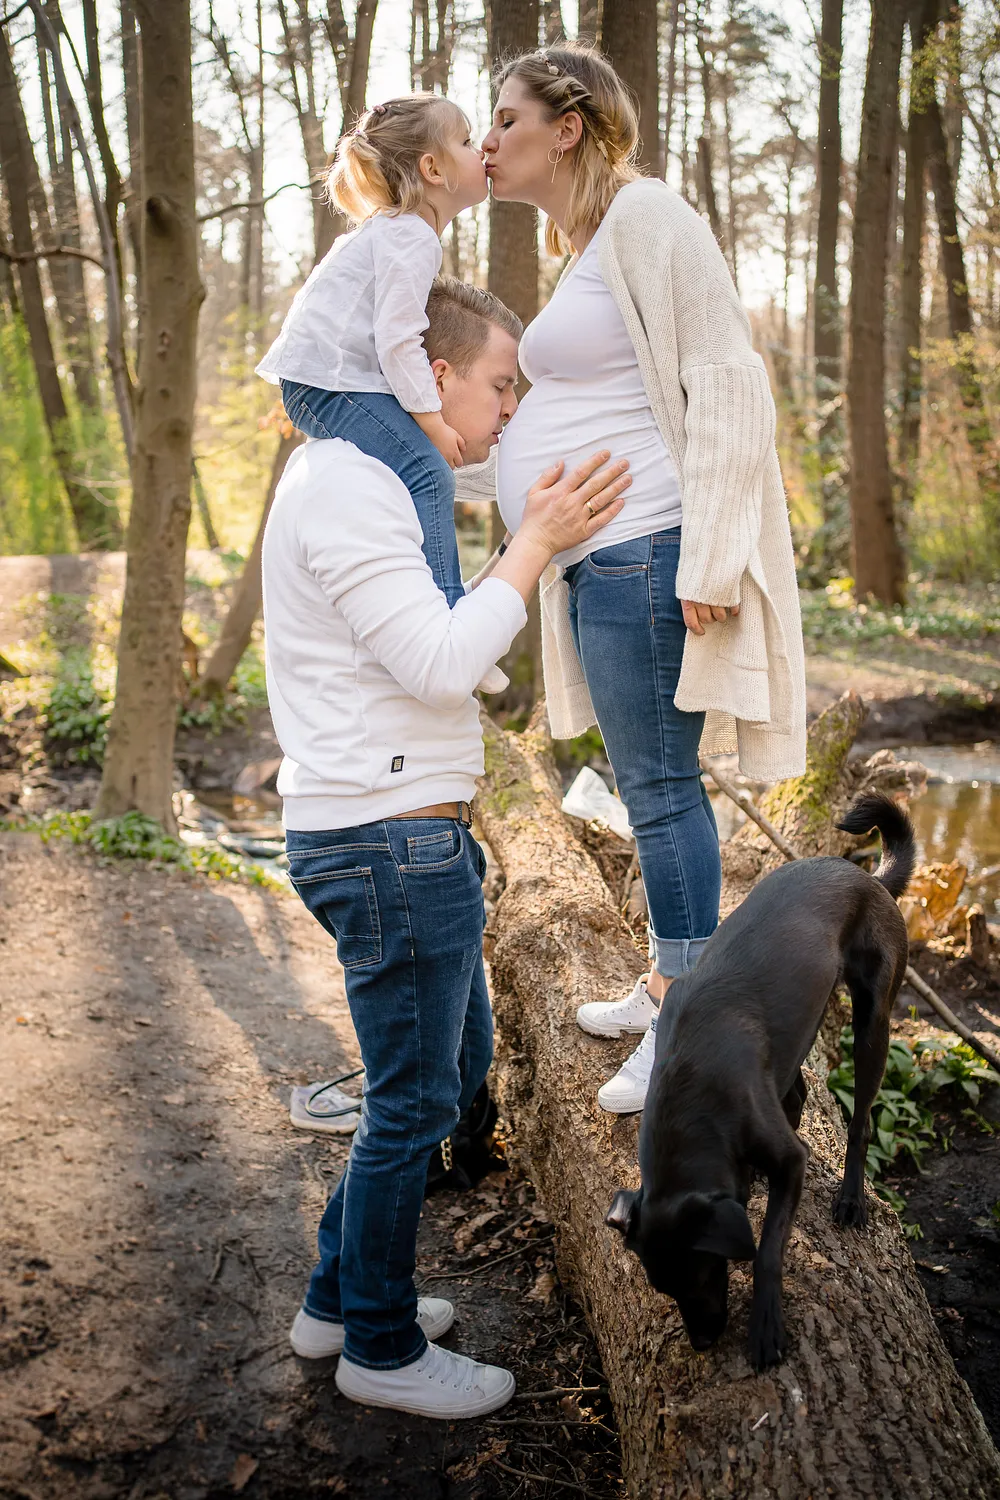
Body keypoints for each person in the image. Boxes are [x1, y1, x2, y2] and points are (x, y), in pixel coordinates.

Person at [262, 276, 631, 1419]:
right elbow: (437, 663)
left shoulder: (376, 473)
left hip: (406, 834)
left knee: (448, 1080)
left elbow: (434, 640)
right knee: (415, 1105)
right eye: (500, 383)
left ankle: (337, 1296)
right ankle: (378, 1347)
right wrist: (530, 547)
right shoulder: (352, 486)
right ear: (426, 374)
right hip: (383, 844)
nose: (510, 408)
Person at [480, 43, 807, 1116]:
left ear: (566, 126)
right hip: (602, 560)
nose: (488, 143)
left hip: (652, 549)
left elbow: (725, 380)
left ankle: (687, 1020)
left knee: (662, 793)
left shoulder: (651, 216)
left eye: (506, 119)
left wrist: (713, 557)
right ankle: (671, 979)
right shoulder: (584, 245)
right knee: (647, 786)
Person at [257, 94, 487, 609]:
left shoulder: (398, 231)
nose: (482, 152)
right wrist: (432, 422)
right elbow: (397, 339)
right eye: (468, 142)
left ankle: (429, 600)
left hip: (330, 383)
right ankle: (447, 614)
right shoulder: (411, 236)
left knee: (416, 472)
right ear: (433, 168)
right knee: (428, 471)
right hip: (329, 386)